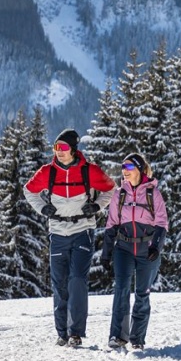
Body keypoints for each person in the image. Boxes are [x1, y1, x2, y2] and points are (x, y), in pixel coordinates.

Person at [25, 128, 115, 348]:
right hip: (57, 232)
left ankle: (75, 333)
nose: (59, 152)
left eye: (63, 148)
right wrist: (42, 208)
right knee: (59, 283)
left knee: (77, 280)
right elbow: (29, 190)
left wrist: (97, 205)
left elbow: (111, 189)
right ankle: (62, 333)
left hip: (83, 231)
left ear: (74, 149)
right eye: (56, 148)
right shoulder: (48, 172)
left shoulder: (89, 171)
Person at [101, 152, 169, 350]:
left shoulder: (152, 193)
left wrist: (156, 246)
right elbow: (111, 223)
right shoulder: (119, 194)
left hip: (147, 249)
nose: (125, 171)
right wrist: (106, 253)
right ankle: (117, 336)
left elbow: (162, 222)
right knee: (121, 289)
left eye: (129, 167)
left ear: (139, 169)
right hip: (123, 248)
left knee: (142, 293)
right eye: (123, 168)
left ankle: (137, 338)